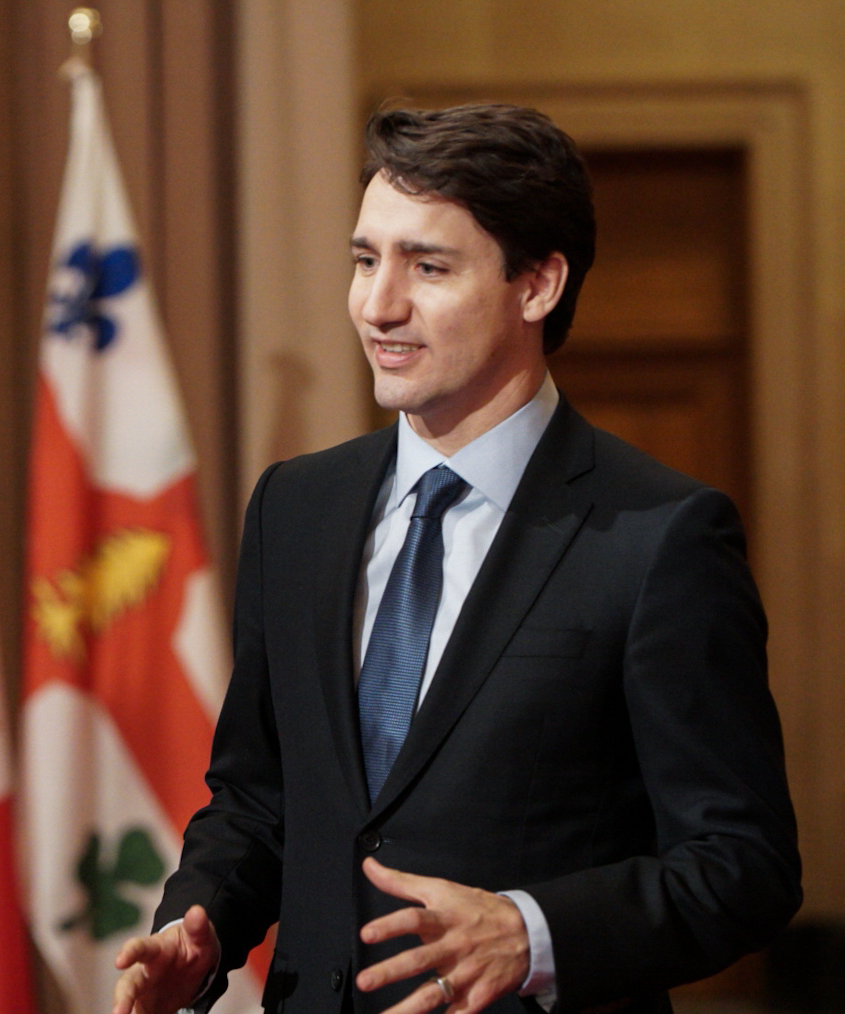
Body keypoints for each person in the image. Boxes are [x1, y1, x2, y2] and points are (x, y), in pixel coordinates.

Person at [112, 104, 801, 1014]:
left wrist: (534, 932)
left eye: (426, 267)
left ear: (538, 285)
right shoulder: (296, 508)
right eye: (365, 260)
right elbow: (258, 800)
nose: (377, 305)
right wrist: (193, 932)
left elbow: (742, 867)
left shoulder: (658, 536)